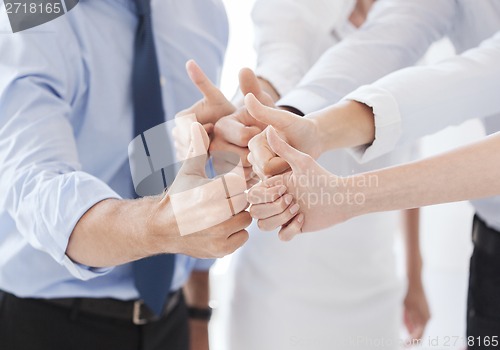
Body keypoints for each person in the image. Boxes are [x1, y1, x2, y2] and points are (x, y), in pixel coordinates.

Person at [174, 1, 430, 349]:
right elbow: (280, 62)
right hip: (280, 283)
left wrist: (415, 276)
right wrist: (251, 111)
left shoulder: (415, 26)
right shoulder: (295, 15)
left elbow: (409, 159)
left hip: (374, 281)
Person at [0, 1, 251, 349]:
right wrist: (163, 225)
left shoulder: (202, 10)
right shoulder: (29, 13)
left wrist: (197, 317)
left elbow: (183, 175)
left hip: (171, 319)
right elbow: (38, 190)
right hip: (45, 324)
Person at [243, 5, 500, 341]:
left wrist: (346, 194)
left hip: (373, 272)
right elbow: (389, 40)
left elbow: (480, 74)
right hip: (491, 255)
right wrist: (305, 123)